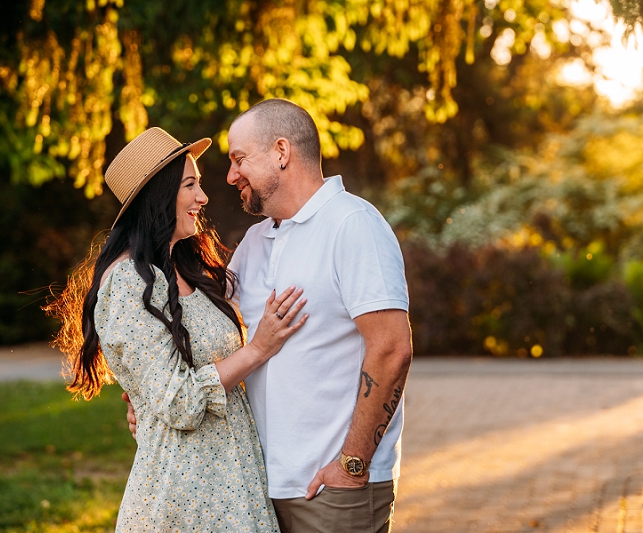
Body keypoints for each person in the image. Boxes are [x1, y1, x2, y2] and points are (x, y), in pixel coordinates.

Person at [46, 126, 309, 533]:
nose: (203, 198)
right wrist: (258, 349)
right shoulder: (128, 283)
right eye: (191, 185)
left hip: (235, 488)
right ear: (159, 194)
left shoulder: (188, 269)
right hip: (183, 501)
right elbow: (178, 401)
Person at [224, 99, 413, 532]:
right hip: (261, 489)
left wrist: (352, 465)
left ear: (281, 152)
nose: (231, 176)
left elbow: (392, 350)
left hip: (334, 490)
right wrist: (154, 393)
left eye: (239, 159)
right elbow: (204, 323)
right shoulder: (255, 240)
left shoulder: (353, 224)